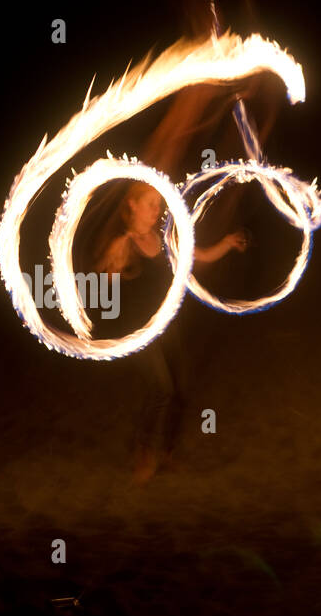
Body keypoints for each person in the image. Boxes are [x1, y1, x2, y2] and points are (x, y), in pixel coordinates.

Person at [92, 183, 249, 484]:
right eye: (150, 203)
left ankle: (168, 452)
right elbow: (103, 295)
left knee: (181, 389)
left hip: (168, 327)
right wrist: (108, 270)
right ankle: (143, 451)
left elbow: (199, 255)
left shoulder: (164, 239)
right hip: (140, 331)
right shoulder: (123, 245)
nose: (156, 209)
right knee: (161, 388)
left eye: (157, 203)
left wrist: (228, 243)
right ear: (132, 205)